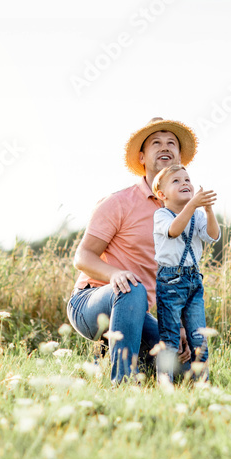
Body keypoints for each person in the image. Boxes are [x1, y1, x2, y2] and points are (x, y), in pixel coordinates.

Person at [67, 117, 198, 384]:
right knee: (132, 286)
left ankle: (128, 359)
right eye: (156, 143)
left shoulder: (183, 217)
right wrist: (115, 273)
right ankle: (122, 384)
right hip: (91, 301)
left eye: (171, 142)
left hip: (138, 312)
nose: (165, 146)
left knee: (188, 371)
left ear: (178, 156)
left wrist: (180, 324)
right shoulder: (118, 202)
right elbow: (83, 257)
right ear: (142, 157)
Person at [152, 165, 219, 380]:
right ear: (162, 195)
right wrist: (192, 204)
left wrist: (208, 210)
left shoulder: (197, 215)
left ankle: (202, 383)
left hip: (193, 281)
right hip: (170, 281)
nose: (185, 183)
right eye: (176, 181)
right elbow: (173, 230)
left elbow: (213, 235)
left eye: (187, 180)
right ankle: (165, 384)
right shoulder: (161, 214)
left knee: (199, 339)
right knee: (170, 340)